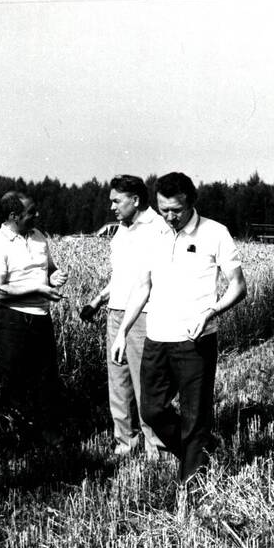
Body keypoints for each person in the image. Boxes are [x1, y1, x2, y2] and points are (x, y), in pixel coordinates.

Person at [111, 172, 247, 483]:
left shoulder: (215, 233)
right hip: (157, 337)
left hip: (195, 339)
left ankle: (193, 485)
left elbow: (238, 287)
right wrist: (122, 332)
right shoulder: (155, 235)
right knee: (152, 411)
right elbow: (143, 286)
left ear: (191, 202)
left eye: (177, 210)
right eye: (163, 209)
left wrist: (210, 313)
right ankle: (200, 451)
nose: (170, 217)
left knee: (194, 417)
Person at [80, 175, 164, 457]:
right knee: (118, 383)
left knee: (146, 384)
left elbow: (150, 281)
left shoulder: (158, 229)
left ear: (136, 200)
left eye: (117, 201)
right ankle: (125, 443)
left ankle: (156, 447)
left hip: (143, 315)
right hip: (115, 312)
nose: (112, 207)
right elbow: (122, 277)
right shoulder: (122, 231)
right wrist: (97, 300)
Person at [0, 190, 67, 442]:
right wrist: (37, 289)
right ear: (13, 215)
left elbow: (49, 269)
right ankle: (17, 437)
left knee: (46, 377)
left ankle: (49, 433)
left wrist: (54, 277)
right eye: (31, 212)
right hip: (12, 322)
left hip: (41, 318)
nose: (37, 215)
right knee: (15, 380)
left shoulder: (39, 237)